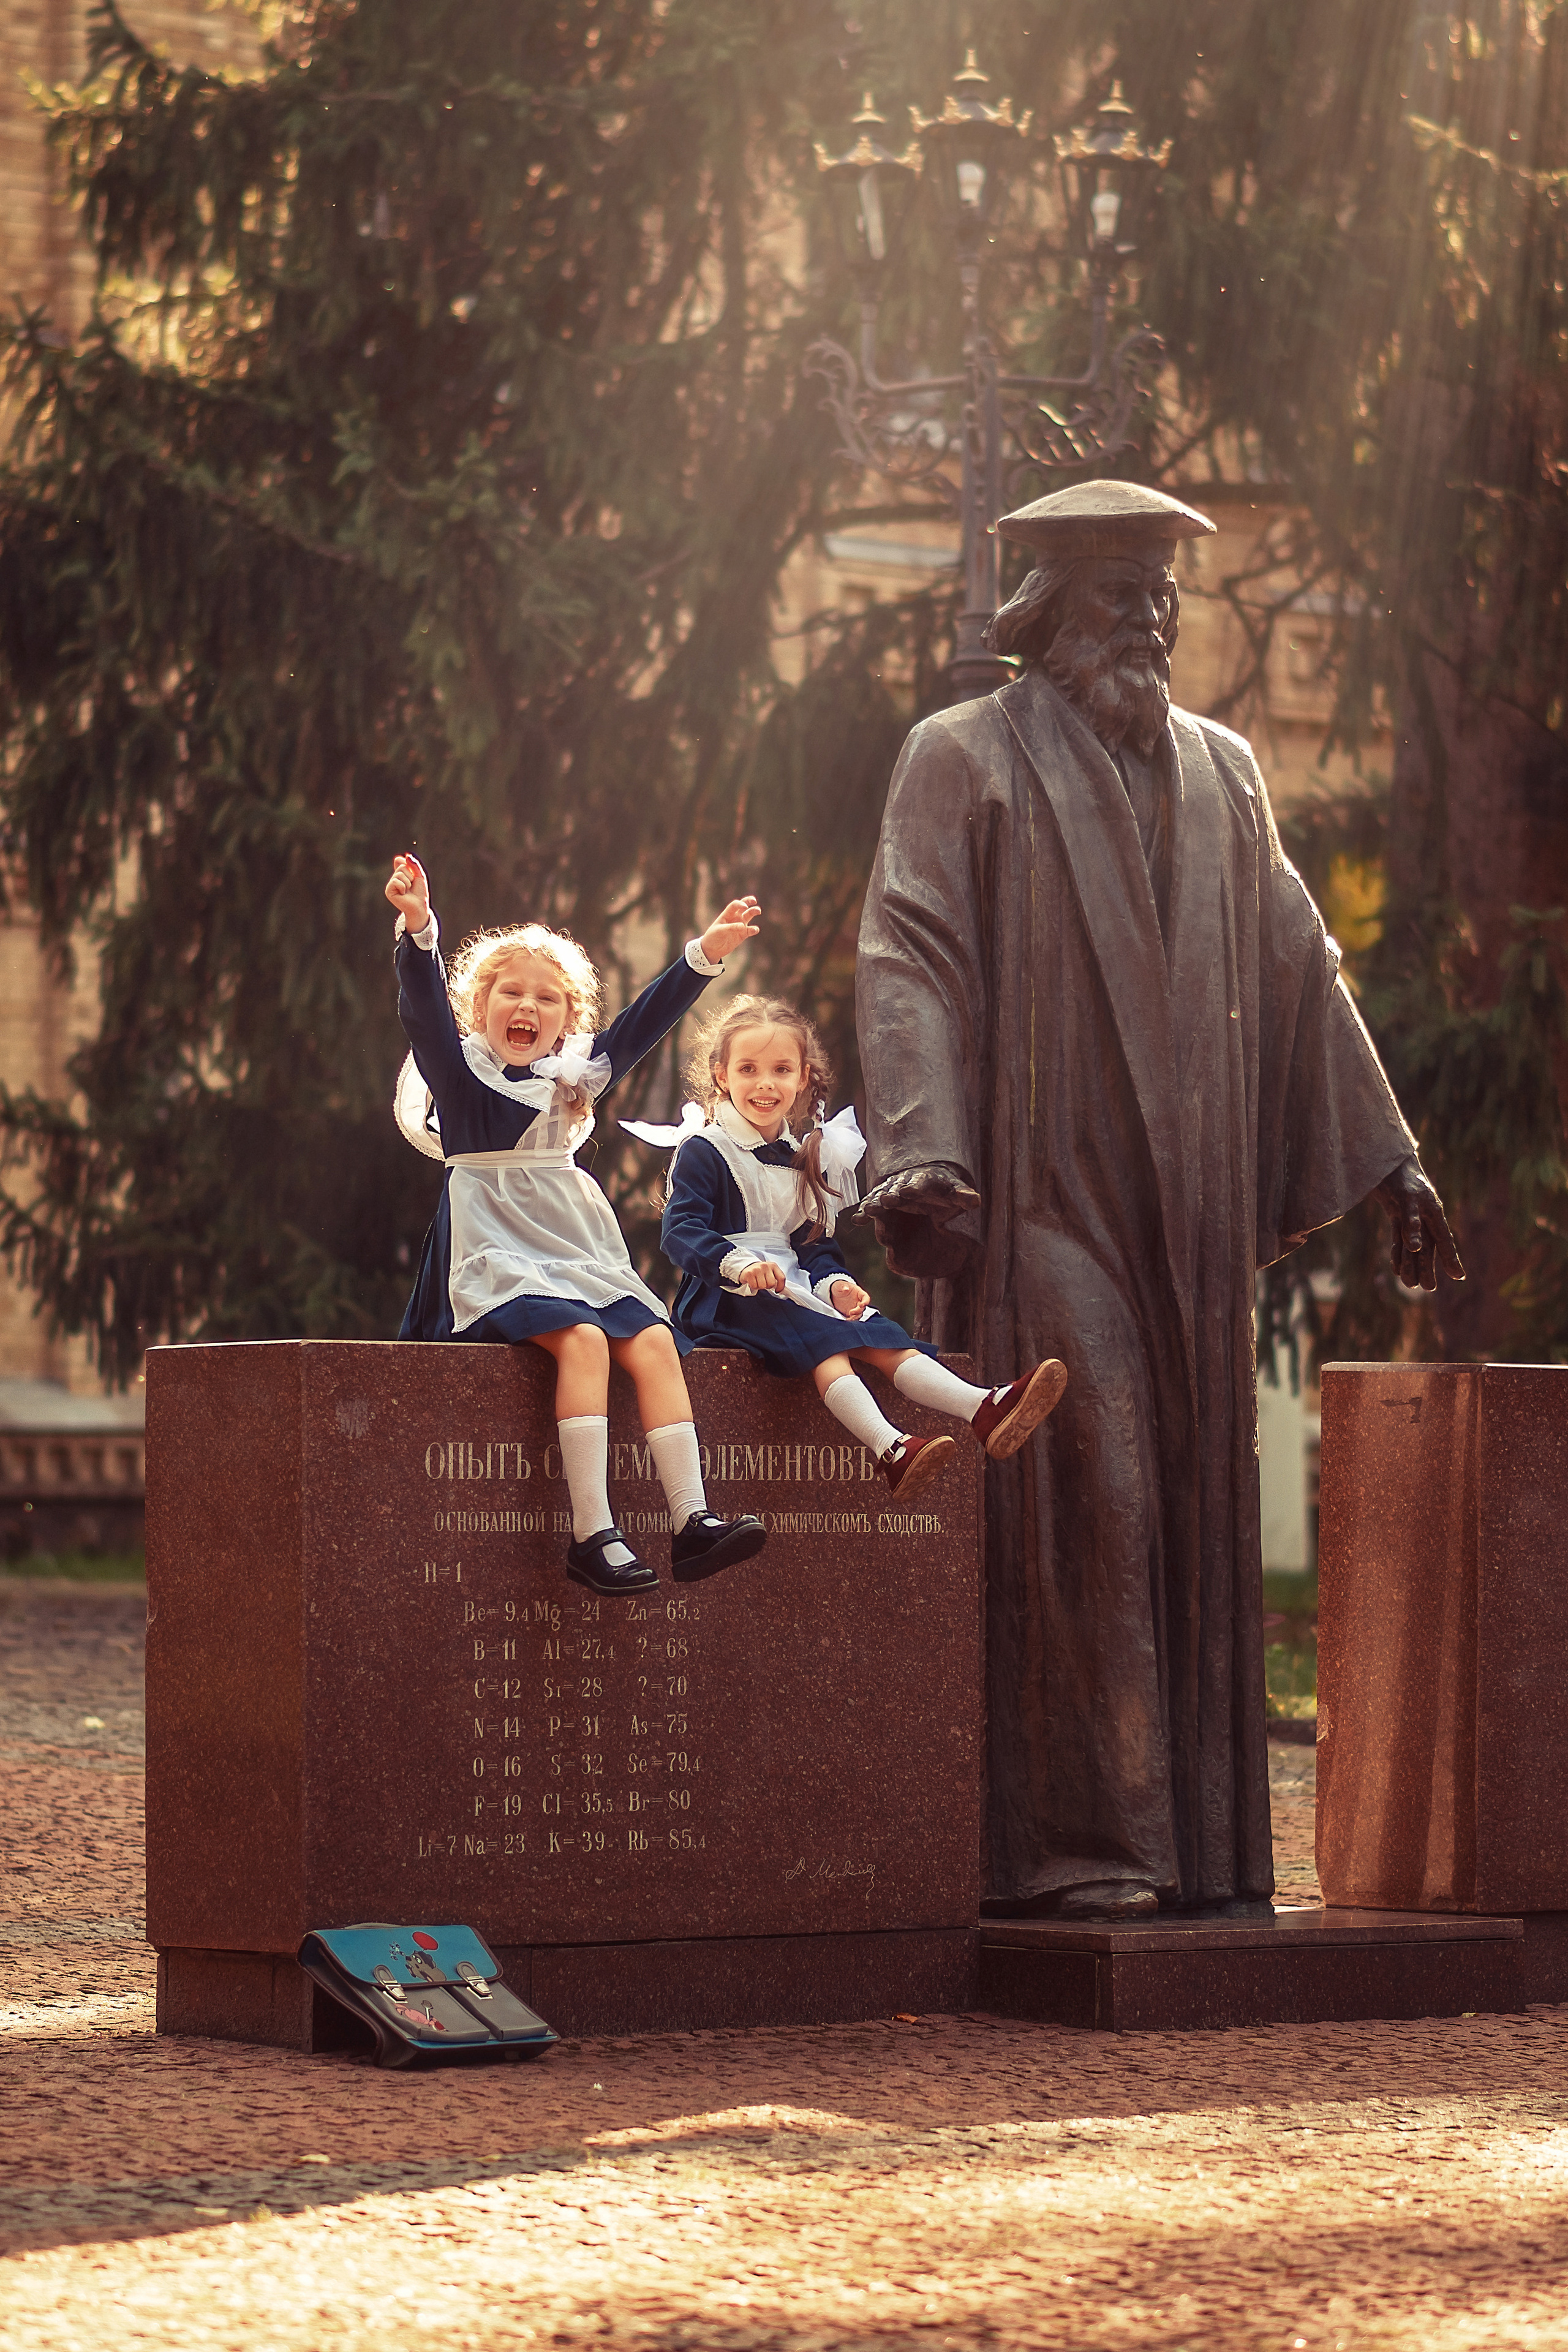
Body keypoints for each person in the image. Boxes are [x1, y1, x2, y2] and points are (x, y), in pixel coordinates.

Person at [855, 480, 1464, 1920]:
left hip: (1184, 1219)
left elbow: (1299, 963)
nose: (1149, 616)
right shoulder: (964, 755)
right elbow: (909, 953)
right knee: (1095, 1478)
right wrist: (919, 1150)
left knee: (1183, 1494)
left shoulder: (1221, 768)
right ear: (1046, 613)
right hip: (1039, 1198)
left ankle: (1190, 1848)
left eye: (1161, 593)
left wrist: (1388, 1156)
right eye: (1119, 591)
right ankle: (1083, 1843)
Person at [385, 851, 767, 1599]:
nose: (526, 1009)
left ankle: (693, 1521)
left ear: (567, 1018)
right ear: (480, 1005)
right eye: (509, 993)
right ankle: (594, 1535)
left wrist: (703, 957)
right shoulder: (462, 1072)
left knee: (655, 1339)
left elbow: (643, 1022)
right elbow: (420, 1006)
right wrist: (419, 926)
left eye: (547, 999)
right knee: (585, 1341)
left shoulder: (577, 1074)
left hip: (571, 1241)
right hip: (494, 1242)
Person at [641, 995, 1067, 1501]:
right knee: (826, 1345)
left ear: (802, 1079)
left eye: (781, 1070)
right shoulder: (707, 1149)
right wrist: (740, 1264)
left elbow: (813, 1245)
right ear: (721, 1076)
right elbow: (681, 1229)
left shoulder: (804, 1156)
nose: (764, 1084)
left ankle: (982, 1407)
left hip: (795, 1283)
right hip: (729, 1296)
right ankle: (891, 1449)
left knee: (875, 1332)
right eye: (748, 1069)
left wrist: (836, 1283)